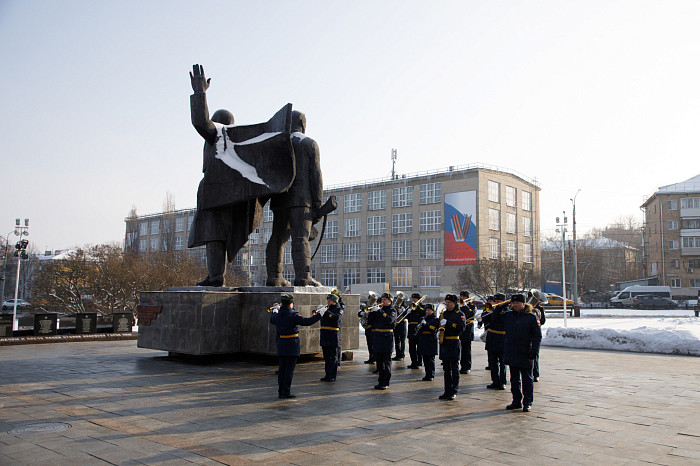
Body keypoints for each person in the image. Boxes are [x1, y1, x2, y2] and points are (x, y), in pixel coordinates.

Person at [188, 64, 268, 286]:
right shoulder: (239, 141)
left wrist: (199, 93)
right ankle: (215, 275)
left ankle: (215, 276)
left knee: (213, 233)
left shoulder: (219, 134)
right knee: (216, 234)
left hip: (216, 189)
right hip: (228, 193)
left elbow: (200, 122)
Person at [266, 111, 323, 286]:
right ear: (302, 124)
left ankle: (274, 277)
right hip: (301, 200)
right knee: (301, 237)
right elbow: (316, 175)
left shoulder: (278, 145)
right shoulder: (308, 143)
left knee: (277, 237)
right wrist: (318, 204)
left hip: (280, 199)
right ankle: (303, 277)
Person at [491, 294, 542, 412]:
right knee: (514, 380)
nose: (514, 305)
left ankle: (527, 402)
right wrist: (500, 306)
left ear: (523, 304)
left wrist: (535, 351)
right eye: (513, 303)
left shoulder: (531, 317)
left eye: (517, 303)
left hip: (526, 352)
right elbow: (495, 318)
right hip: (512, 351)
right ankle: (516, 401)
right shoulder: (508, 316)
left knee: (527, 380)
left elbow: (537, 336)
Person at [269, 293, 321, 398]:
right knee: (289, 370)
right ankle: (286, 392)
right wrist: (319, 315)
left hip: (281, 344)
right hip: (291, 345)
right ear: (290, 304)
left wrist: (274, 311)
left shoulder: (277, 315)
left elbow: (272, 319)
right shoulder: (293, 315)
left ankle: (280, 391)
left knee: (282, 369)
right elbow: (307, 322)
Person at [438, 294, 467, 400]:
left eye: (449, 302)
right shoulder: (444, 313)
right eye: (446, 302)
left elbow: (462, 327)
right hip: (445, 343)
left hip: (454, 342)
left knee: (454, 368)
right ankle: (447, 390)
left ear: (454, 303)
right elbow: (440, 325)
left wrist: (449, 323)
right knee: (446, 369)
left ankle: (454, 391)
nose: (447, 304)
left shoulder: (460, 314)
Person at [481, 293, 507, 390]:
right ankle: (495, 381)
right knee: (493, 362)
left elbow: (501, 319)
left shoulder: (507, 311)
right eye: (495, 301)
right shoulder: (490, 310)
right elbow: (484, 319)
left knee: (502, 362)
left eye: (498, 302)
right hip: (492, 337)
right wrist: (488, 311)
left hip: (502, 338)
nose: (496, 303)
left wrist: (499, 309)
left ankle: (502, 381)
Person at [371, 293, 397, 390]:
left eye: (385, 300)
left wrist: (380, 312)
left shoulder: (392, 310)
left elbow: (389, 320)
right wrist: (371, 313)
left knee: (386, 362)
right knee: (379, 362)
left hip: (386, 338)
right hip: (378, 338)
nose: (383, 301)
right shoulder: (379, 311)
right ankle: (380, 381)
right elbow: (370, 322)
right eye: (382, 299)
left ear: (390, 301)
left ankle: (386, 382)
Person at [320, 293, 343, 382]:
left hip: (333, 336)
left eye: (329, 300)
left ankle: (332, 375)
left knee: (333, 357)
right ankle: (327, 374)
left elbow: (336, 318)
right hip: (325, 335)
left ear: (334, 301)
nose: (327, 302)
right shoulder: (327, 308)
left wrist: (326, 312)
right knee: (326, 357)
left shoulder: (339, 309)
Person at [527, 290, 546, 382]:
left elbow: (542, 321)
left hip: (534, 333)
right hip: (525, 333)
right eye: (530, 298)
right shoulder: (525, 308)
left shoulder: (539, 309)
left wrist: (535, 321)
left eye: (532, 298)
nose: (531, 300)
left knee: (535, 355)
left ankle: (536, 374)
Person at [417, 304, 439, 381]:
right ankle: (427, 374)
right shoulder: (423, 318)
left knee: (430, 359)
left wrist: (427, 325)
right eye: (426, 310)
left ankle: (431, 374)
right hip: (423, 339)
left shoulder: (435, 319)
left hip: (431, 339)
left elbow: (435, 329)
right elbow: (418, 329)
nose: (428, 311)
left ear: (433, 311)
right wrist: (419, 326)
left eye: (429, 310)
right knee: (425, 358)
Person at [406, 293, 427, 369]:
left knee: (419, 347)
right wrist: (407, 311)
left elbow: (424, 313)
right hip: (411, 328)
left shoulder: (422, 306)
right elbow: (405, 317)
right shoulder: (410, 306)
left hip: (418, 328)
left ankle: (419, 362)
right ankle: (413, 362)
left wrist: (417, 307)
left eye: (415, 298)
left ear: (419, 299)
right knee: (411, 348)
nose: (413, 300)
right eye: (413, 298)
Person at [459, 291, 476, 374]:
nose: (462, 298)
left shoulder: (472, 306)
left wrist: (465, 306)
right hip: (460, 329)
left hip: (468, 329)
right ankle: (462, 366)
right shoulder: (460, 306)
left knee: (467, 350)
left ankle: (467, 367)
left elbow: (471, 314)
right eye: (461, 297)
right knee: (460, 349)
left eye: (464, 297)